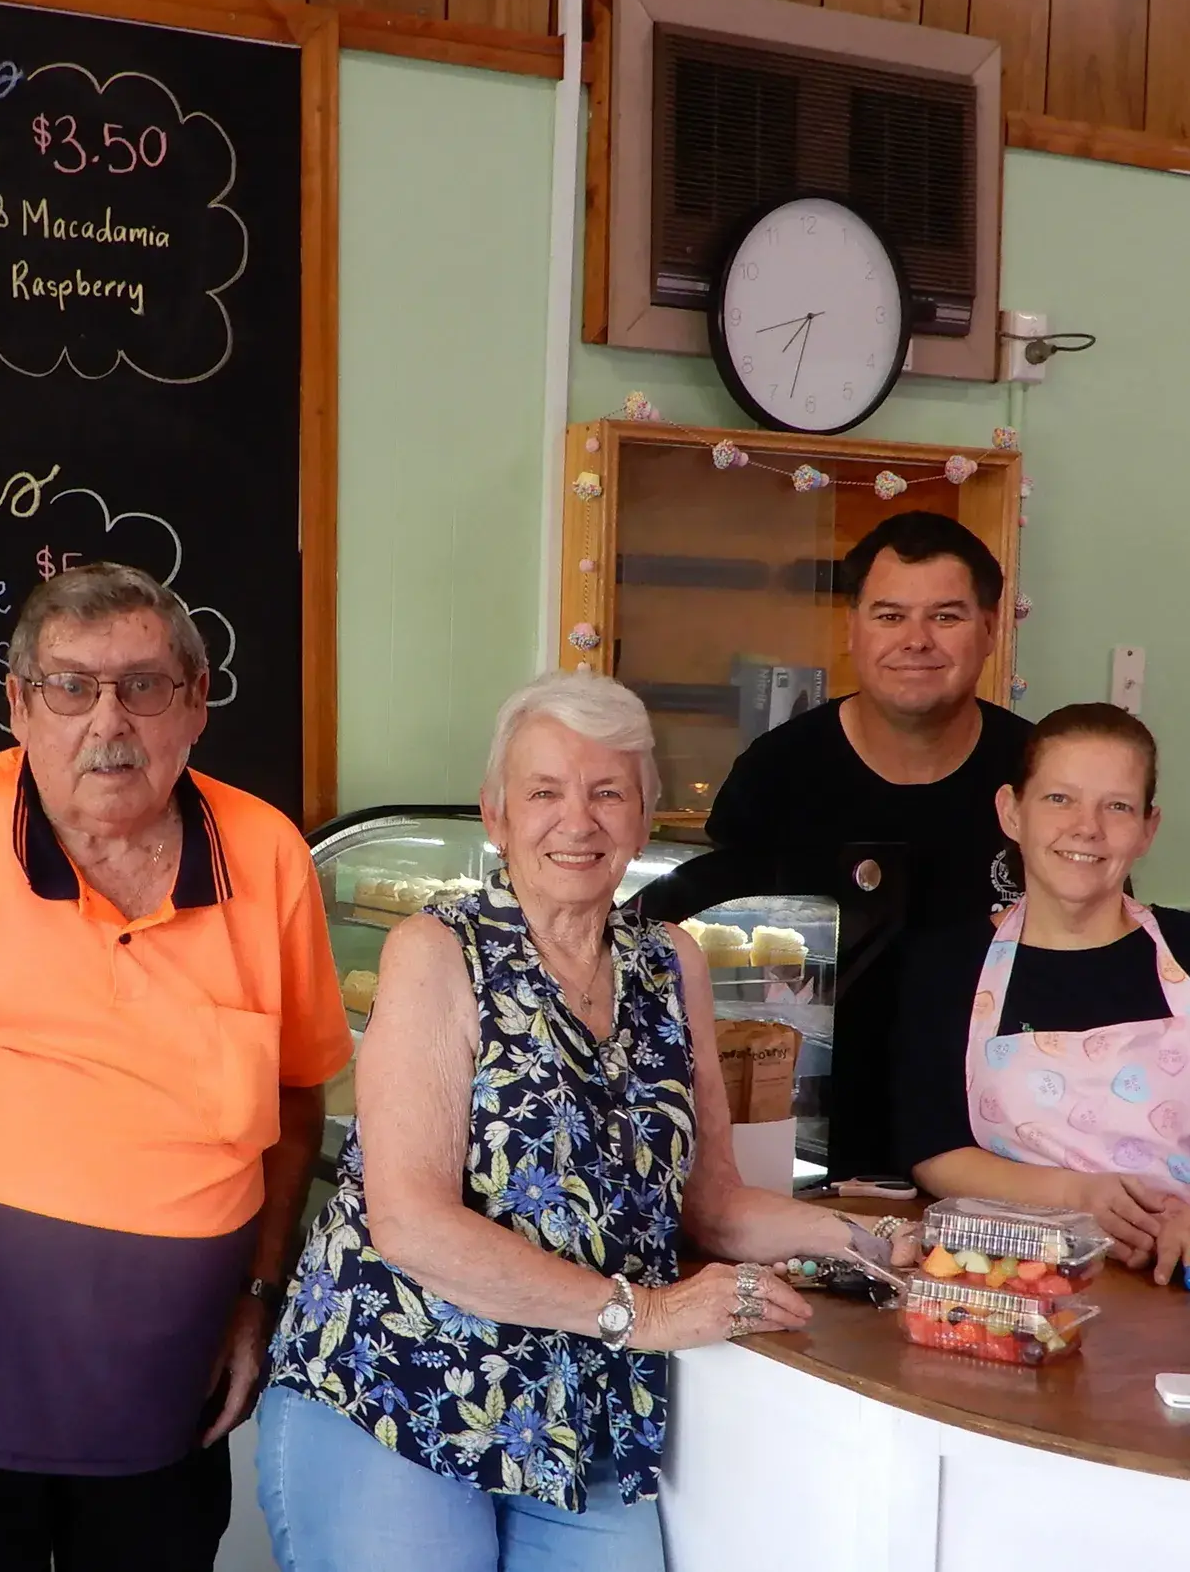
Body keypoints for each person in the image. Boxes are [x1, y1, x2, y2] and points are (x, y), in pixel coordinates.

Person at [260, 671, 923, 1572]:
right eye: (545, 792)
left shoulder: (672, 962)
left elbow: (714, 1203)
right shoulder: (438, 949)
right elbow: (408, 1220)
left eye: (609, 791)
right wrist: (642, 1312)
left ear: (644, 819)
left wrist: (874, 1241)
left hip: (580, 1412)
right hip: (397, 1381)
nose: (578, 820)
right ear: (497, 815)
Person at [0, 562, 350, 1572]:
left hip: (164, 1397)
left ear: (197, 703)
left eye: (144, 684)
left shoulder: (264, 855)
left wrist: (260, 1294)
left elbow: (295, 1091)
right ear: (17, 703)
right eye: (70, 686)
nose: (108, 720)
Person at [894, 703, 1190, 1286]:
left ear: (1147, 829)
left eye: (1117, 806)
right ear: (1012, 812)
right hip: (1023, 1285)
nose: (1087, 827)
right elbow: (935, 1151)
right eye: (1059, 799)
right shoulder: (948, 966)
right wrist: (1075, 1197)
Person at [704, 511, 1031, 1177]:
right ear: (851, 628)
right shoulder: (776, 774)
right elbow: (719, 979)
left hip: (1001, 1149)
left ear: (991, 629)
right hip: (803, 1147)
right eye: (889, 615)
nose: (916, 640)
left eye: (946, 616)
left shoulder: (1040, 771)